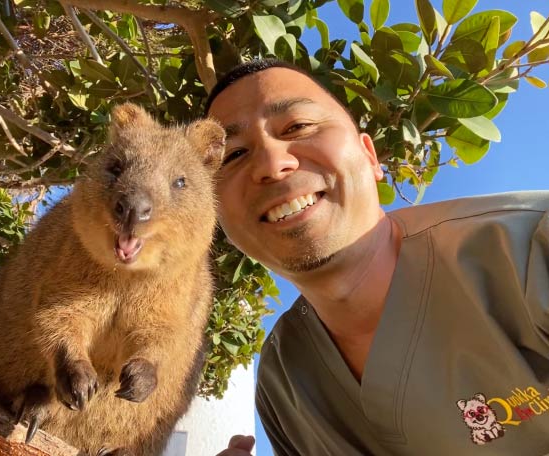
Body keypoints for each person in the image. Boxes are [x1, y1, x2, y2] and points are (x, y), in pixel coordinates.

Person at [208, 59, 549, 455]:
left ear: (370, 157)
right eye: (233, 154)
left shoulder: (530, 251)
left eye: (297, 126)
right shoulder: (283, 386)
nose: (271, 164)